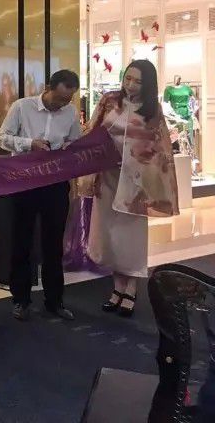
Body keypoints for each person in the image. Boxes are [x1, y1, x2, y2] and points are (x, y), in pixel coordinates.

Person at [86, 60, 178, 317]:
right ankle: (117, 287)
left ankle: (131, 289)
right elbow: (92, 132)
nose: (131, 85)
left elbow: (160, 148)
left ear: (148, 84)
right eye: (128, 78)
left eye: (138, 81)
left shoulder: (152, 109)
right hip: (107, 177)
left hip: (136, 183)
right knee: (109, 234)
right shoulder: (109, 101)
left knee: (131, 237)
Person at [0, 69, 82, 322]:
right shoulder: (22, 107)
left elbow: (75, 143)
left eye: (67, 100)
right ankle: (21, 300)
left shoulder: (70, 112)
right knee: (21, 242)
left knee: (53, 244)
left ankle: (54, 300)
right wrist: (29, 144)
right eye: (59, 98)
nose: (62, 104)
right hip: (24, 182)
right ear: (47, 88)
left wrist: (68, 148)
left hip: (55, 183)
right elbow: (2, 138)